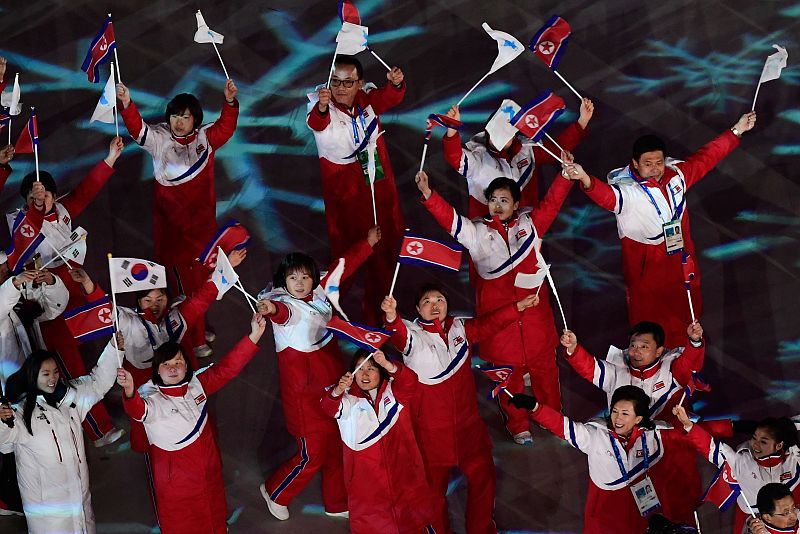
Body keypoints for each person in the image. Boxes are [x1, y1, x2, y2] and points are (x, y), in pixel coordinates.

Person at [415, 158, 585, 445]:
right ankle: (518, 424)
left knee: (546, 377)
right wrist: (430, 195)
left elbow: (552, 203)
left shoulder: (531, 226)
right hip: (500, 327)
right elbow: (451, 221)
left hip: (536, 324)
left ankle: (553, 419)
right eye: (492, 199)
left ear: (516, 204)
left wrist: (566, 176)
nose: (496, 204)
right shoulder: (478, 233)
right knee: (509, 381)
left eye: (504, 200)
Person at [576, 112, 757, 347]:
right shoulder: (628, 192)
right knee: (649, 323)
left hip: (681, 258)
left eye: (659, 162)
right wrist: (584, 179)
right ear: (635, 164)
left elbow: (706, 158)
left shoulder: (677, 176)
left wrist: (736, 130)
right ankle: (653, 374)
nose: (655, 169)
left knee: (689, 312)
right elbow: (605, 196)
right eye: (648, 164)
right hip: (647, 270)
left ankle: (687, 367)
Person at [381, 284, 538, 533]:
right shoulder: (412, 335)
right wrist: (391, 315)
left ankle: (481, 529)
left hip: (468, 428)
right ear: (416, 309)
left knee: (484, 479)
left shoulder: (460, 327)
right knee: (433, 492)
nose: (434, 306)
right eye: (427, 301)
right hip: (431, 433)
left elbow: (488, 324)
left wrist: (517, 307)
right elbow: (397, 333)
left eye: (440, 300)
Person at [5, 137, 125, 447]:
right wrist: (36, 209)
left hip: (77, 288)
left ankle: (111, 378)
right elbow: (19, 255)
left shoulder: (63, 209)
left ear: (55, 194)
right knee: (69, 364)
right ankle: (99, 428)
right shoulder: (22, 225)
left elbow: (87, 190)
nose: (41, 198)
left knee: (106, 336)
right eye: (34, 195)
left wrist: (110, 157)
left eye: (46, 193)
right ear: (26, 200)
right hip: (48, 303)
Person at [256, 226, 380, 521]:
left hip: (335, 383)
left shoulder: (320, 290)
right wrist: (269, 308)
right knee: (311, 455)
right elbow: (280, 312)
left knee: (339, 442)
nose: (299, 283)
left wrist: (368, 242)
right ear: (282, 281)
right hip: (305, 396)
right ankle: (275, 491)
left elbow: (341, 267)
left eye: (304, 277)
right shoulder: (285, 306)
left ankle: (337, 502)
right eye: (292, 278)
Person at [559, 320, 735, 525]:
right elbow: (589, 367)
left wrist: (695, 341)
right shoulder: (616, 371)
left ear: (659, 350)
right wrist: (573, 348)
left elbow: (690, 363)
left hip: (663, 451)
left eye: (644, 346)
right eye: (633, 345)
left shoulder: (671, 369)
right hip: (625, 451)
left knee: (672, 501)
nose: (636, 351)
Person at [116, 79, 239, 359]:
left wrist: (230, 102)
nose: (179, 122)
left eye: (185, 116)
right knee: (181, 289)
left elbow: (227, 127)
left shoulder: (205, 139)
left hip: (203, 229)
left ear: (195, 119)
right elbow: (137, 129)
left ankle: (198, 324)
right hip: (173, 233)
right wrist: (127, 103)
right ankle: (193, 339)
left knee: (202, 281)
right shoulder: (159, 139)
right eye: (174, 116)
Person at [118, 313, 266, 534]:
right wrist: (129, 390)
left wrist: (253, 336)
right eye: (166, 364)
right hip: (177, 485)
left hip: (209, 472)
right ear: (157, 370)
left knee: (215, 517)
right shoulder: (151, 399)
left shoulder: (197, 384)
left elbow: (227, 368)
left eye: (178, 362)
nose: (173, 368)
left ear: (187, 366)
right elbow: (136, 409)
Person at [511, 385, 694, 533]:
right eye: (615, 411)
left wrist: (698, 426)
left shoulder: (655, 433)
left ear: (638, 418)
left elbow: (696, 435)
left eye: (625, 413)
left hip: (645, 511)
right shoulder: (595, 435)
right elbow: (564, 427)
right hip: (608, 513)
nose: (617, 419)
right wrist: (536, 407)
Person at [307, 54, 405, 323]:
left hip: (377, 184)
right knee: (348, 253)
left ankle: (376, 317)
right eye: (335, 81)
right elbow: (317, 122)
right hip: (345, 194)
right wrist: (324, 107)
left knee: (383, 251)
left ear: (359, 83)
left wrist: (396, 85)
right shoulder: (319, 104)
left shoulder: (368, 97)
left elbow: (389, 98)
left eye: (347, 83)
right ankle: (322, 309)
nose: (340, 88)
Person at [0, 336, 122, 534]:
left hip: (80, 502)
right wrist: (2, 421)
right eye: (45, 374)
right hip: (47, 511)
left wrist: (115, 349)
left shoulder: (71, 398)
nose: (53, 378)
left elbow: (98, 383)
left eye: (55, 372)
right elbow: (4, 442)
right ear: (33, 376)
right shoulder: (22, 412)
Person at [321, 349, 434, 533]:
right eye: (360, 368)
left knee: (414, 524)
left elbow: (410, 381)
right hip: (368, 489)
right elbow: (329, 407)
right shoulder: (348, 401)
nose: (365, 374)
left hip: (405, 481)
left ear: (381, 371)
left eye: (372, 368)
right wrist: (339, 390)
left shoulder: (394, 392)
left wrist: (388, 365)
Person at [0, 256, 71, 517]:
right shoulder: (9, 291)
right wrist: (15, 284)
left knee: (33, 435)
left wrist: (51, 282)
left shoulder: (16, 291)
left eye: (5, 270)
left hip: (34, 377)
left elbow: (53, 307)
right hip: (9, 383)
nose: (4, 274)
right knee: (11, 442)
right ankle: (9, 498)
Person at [442, 98, 594, 218]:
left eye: (507, 136)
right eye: (497, 135)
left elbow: (556, 149)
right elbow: (456, 158)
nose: (502, 141)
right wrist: (452, 129)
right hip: (489, 235)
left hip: (526, 229)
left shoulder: (527, 149)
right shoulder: (478, 159)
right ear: (488, 132)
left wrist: (582, 122)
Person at [674, 405, 800, 533]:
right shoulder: (741, 462)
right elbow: (711, 448)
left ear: (779, 445)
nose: (755, 444)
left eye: (763, 442)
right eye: (754, 438)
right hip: (755, 521)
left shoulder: (793, 457)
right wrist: (688, 424)